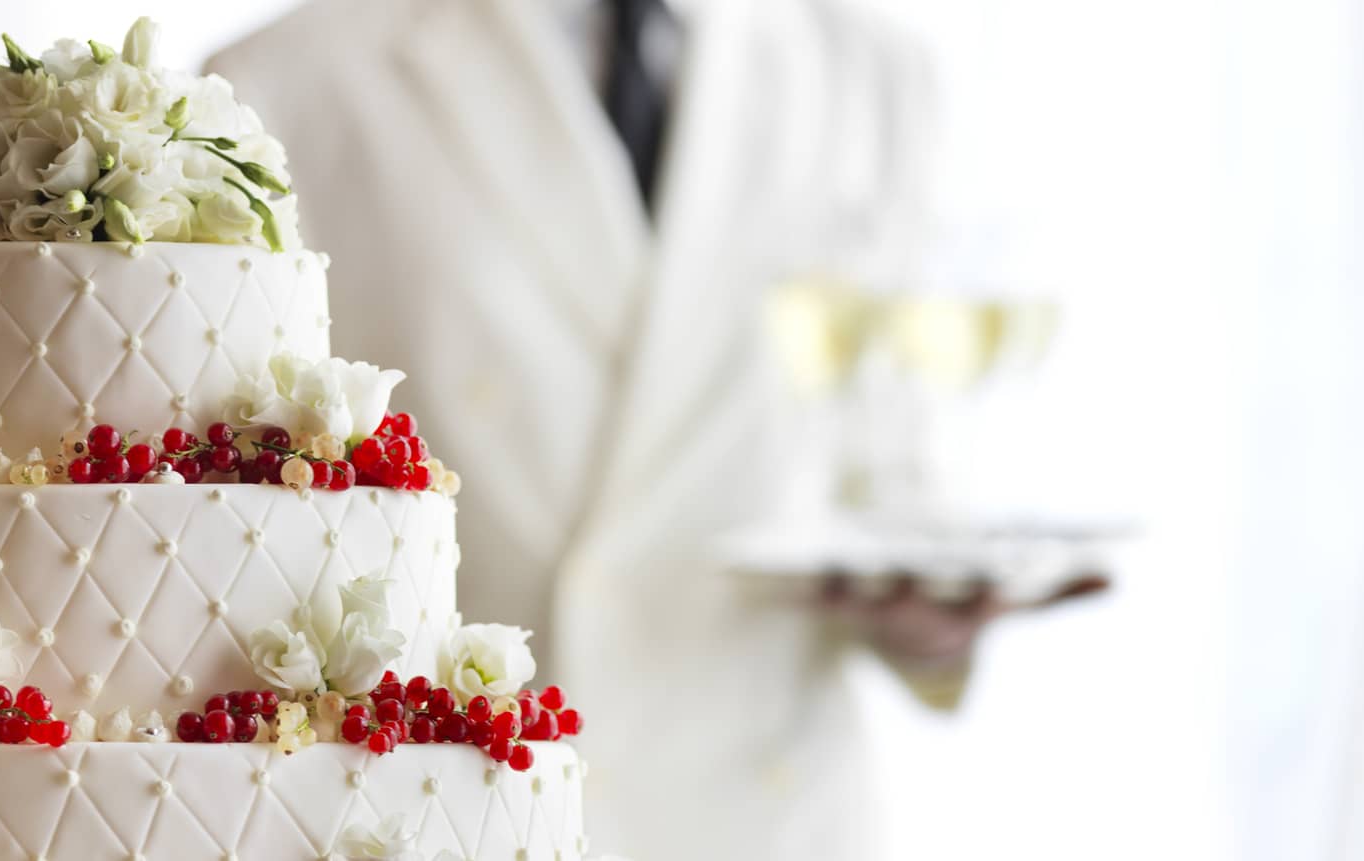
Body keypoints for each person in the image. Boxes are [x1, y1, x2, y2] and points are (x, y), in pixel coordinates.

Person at [209, 1, 1097, 857]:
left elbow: (887, 473)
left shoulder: (878, 73)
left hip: (771, 812)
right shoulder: (281, 85)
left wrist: (928, 619)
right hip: (457, 810)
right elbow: (240, 536)